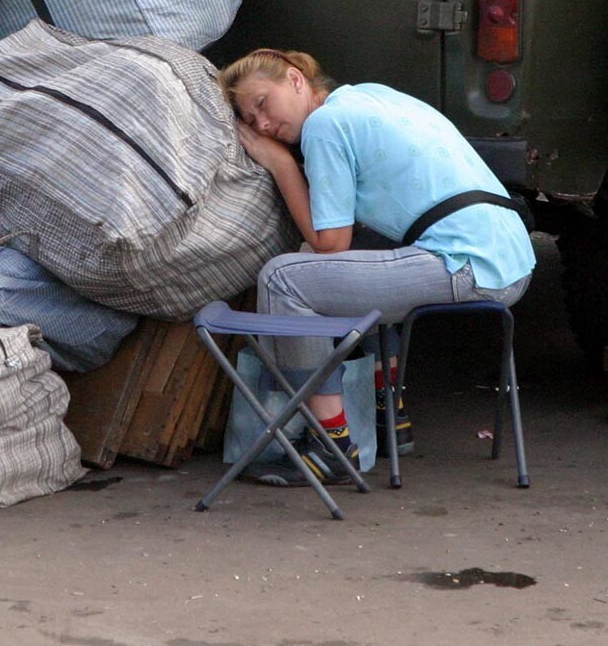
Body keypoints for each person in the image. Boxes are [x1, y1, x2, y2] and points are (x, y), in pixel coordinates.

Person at [219, 48, 536, 485]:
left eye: (262, 104)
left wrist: (280, 164)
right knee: (358, 256)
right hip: (509, 257)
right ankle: (389, 413)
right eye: (252, 122)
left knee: (284, 278)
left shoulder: (325, 126)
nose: (264, 125)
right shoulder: (370, 96)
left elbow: (330, 243)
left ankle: (331, 445)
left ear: (295, 80)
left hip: (465, 264)